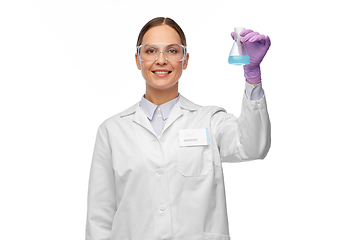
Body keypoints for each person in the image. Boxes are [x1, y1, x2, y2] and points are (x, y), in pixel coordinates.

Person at [85, 17, 271, 240]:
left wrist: (252, 76)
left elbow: (253, 146)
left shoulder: (209, 120)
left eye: (172, 51)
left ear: (185, 60)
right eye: (151, 51)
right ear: (138, 60)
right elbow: (100, 218)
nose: (161, 60)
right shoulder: (112, 131)